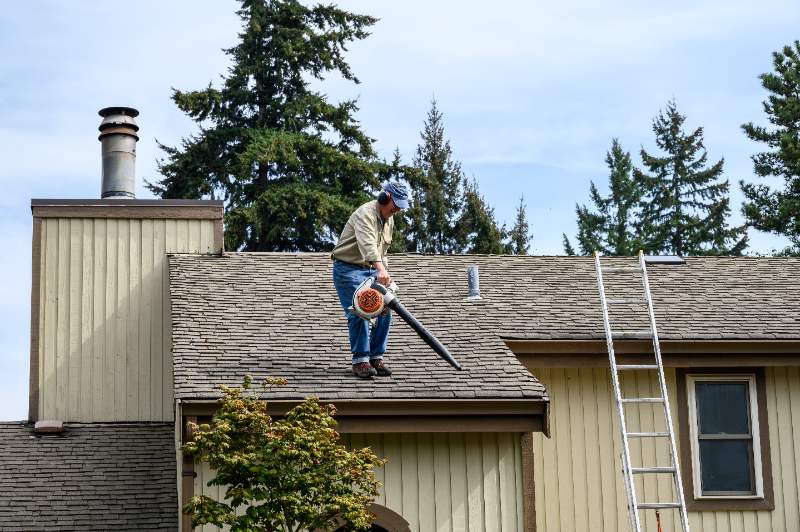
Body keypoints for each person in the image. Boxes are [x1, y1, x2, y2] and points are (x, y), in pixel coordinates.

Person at [331, 181, 410, 378]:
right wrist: (380, 269)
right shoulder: (365, 214)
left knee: (385, 309)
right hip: (348, 269)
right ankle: (360, 361)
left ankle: (376, 357)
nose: (398, 210)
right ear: (385, 198)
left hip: (371, 270)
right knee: (361, 309)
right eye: (396, 204)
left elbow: (382, 251)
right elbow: (368, 246)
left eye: (401, 206)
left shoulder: (388, 219)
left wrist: (385, 275)